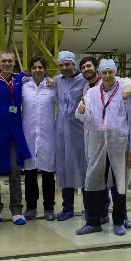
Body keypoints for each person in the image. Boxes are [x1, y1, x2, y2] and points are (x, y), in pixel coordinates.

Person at [80, 59, 131, 235]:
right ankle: (93, 221)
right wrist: (81, 111)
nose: (107, 75)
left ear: (115, 72)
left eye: (110, 72)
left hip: (119, 145)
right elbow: (85, 117)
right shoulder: (91, 93)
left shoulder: (125, 92)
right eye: (104, 72)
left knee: (119, 184)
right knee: (93, 183)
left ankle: (119, 222)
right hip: (97, 145)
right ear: (100, 73)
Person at [0, 50, 30, 225]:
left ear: (14, 62)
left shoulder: (21, 79)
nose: (7, 64)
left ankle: (17, 210)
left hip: (13, 133)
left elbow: (39, 77)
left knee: (14, 169)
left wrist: (48, 79)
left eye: (10, 61)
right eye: (3, 61)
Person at [20, 57, 59, 220]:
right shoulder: (23, 87)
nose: (37, 70)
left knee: (48, 174)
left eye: (40, 67)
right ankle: (31, 208)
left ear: (45, 69)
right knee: (29, 175)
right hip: (28, 135)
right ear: (30, 69)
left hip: (47, 135)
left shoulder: (52, 87)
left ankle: (49, 208)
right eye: (34, 67)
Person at [50, 51, 86, 221]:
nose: (65, 68)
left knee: (85, 169)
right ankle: (67, 208)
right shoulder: (57, 81)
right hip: (62, 132)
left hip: (81, 132)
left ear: (74, 64)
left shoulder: (85, 79)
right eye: (61, 65)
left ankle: (91, 207)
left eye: (68, 64)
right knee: (64, 170)